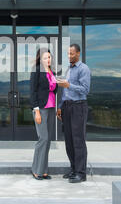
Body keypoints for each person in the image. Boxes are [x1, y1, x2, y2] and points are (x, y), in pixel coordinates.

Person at [57, 44, 91, 183]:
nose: (69, 56)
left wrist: (68, 85)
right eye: (68, 54)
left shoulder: (84, 69)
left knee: (78, 141)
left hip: (78, 107)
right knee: (69, 141)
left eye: (72, 53)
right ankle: (73, 169)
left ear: (78, 53)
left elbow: (85, 90)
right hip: (67, 107)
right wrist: (60, 107)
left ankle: (81, 173)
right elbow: (65, 92)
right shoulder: (68, 69)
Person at [29, 48, 58, 180]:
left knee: (48, 141)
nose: (48, 59)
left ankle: (43, 170)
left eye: (49, 57)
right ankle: (36, 170)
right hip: (40, 109)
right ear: (40, 59)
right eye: (45, 57)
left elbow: (53, 89)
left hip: (51, 108)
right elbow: (32, 92)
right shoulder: (36, 71)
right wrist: (36, 111)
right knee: (43, 139)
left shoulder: (52, 72)